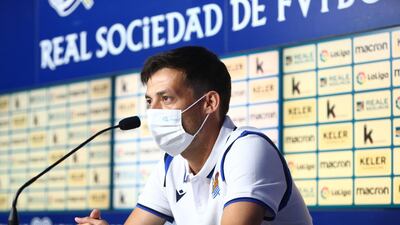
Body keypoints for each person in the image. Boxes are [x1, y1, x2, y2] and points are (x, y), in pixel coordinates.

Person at [75, 46, 312, 225]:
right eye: (149, 100)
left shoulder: (247, 149)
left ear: (209, 103)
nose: (153, 111)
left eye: (166, 98)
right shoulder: (171, 165)